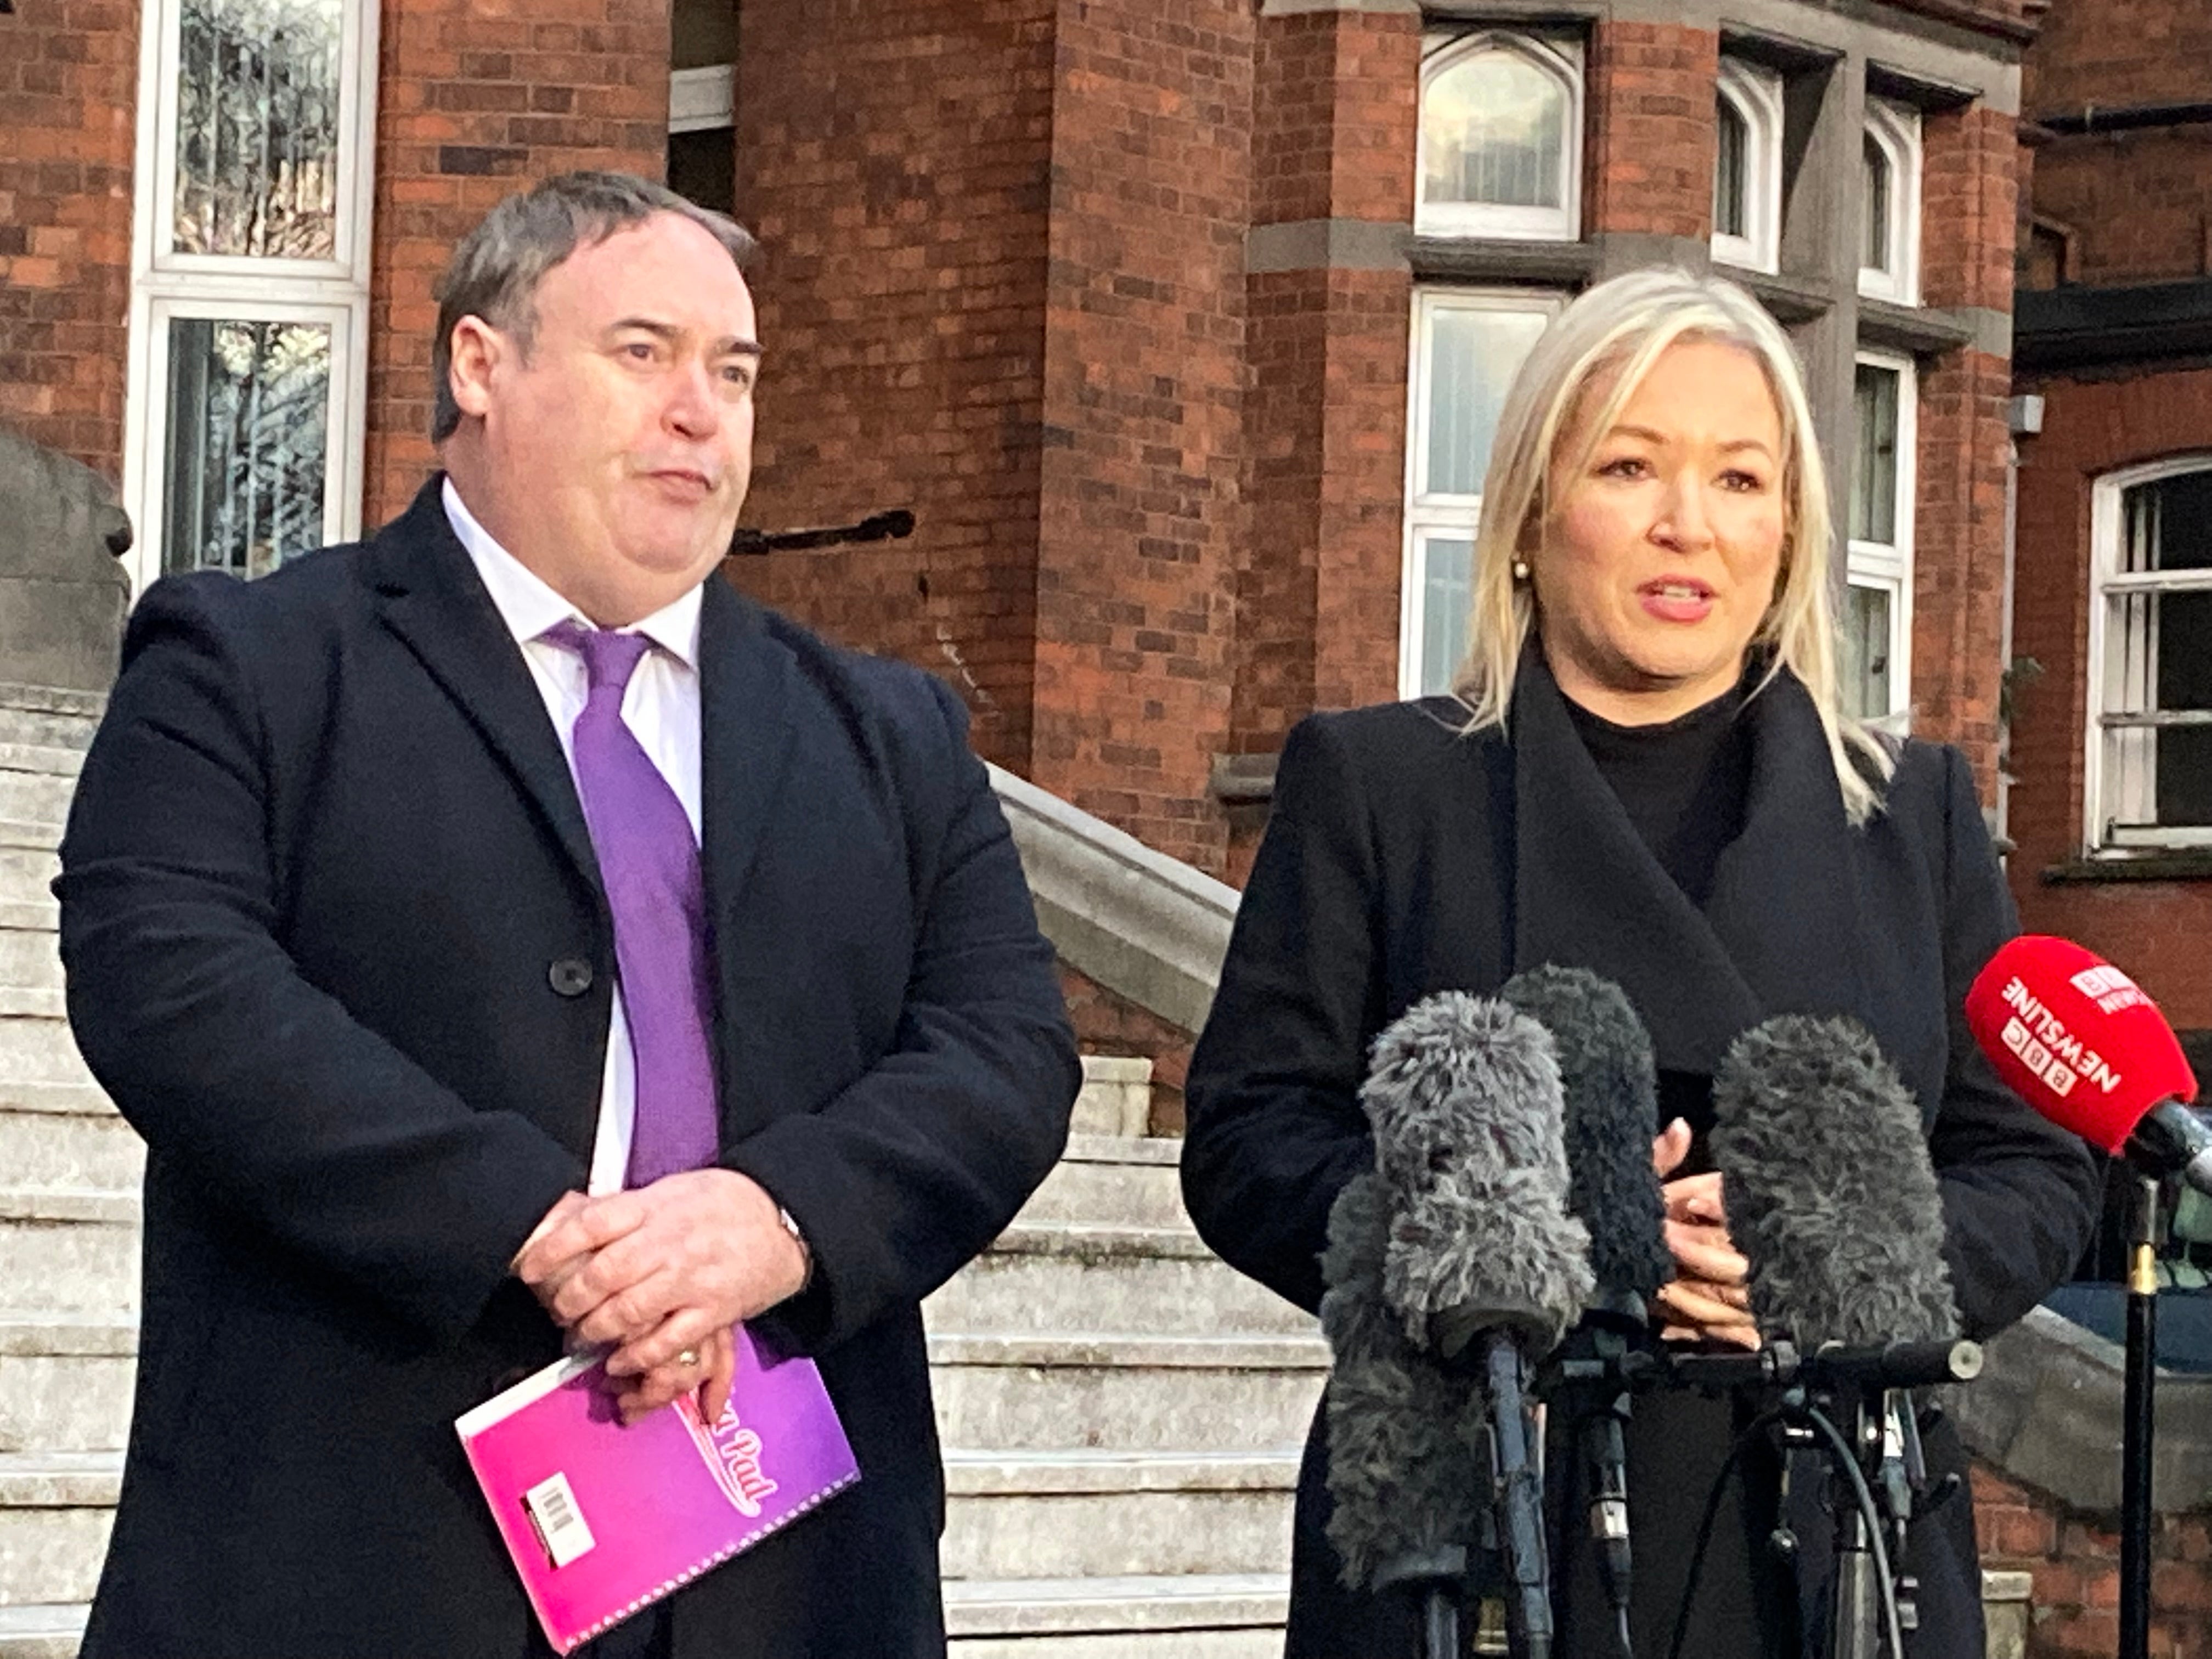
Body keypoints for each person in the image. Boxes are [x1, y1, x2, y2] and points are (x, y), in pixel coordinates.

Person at [58, 171, 1079, 1658]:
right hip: (360, 1554)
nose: (700, 410)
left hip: (787, 1574)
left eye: (733, 373)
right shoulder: (254, 663)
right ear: (483, 365)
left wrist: (774, 1219)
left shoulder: (888, 733)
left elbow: (1005, 1051)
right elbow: (169, 977)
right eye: (645, 352)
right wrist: (533, 1228)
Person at [1177, 268, 2102, 1658]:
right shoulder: (1382, 784)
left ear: (1790, 527)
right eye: (1630, 464)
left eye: (1741, 479)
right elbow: (1249, 1137)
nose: (1690, 526)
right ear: (1538, 511)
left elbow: (2035, 1166)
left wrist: (1844, 1266)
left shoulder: (1910, 811)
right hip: (1487, 1516)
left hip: (1835, 1524)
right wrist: (1499, 1250)